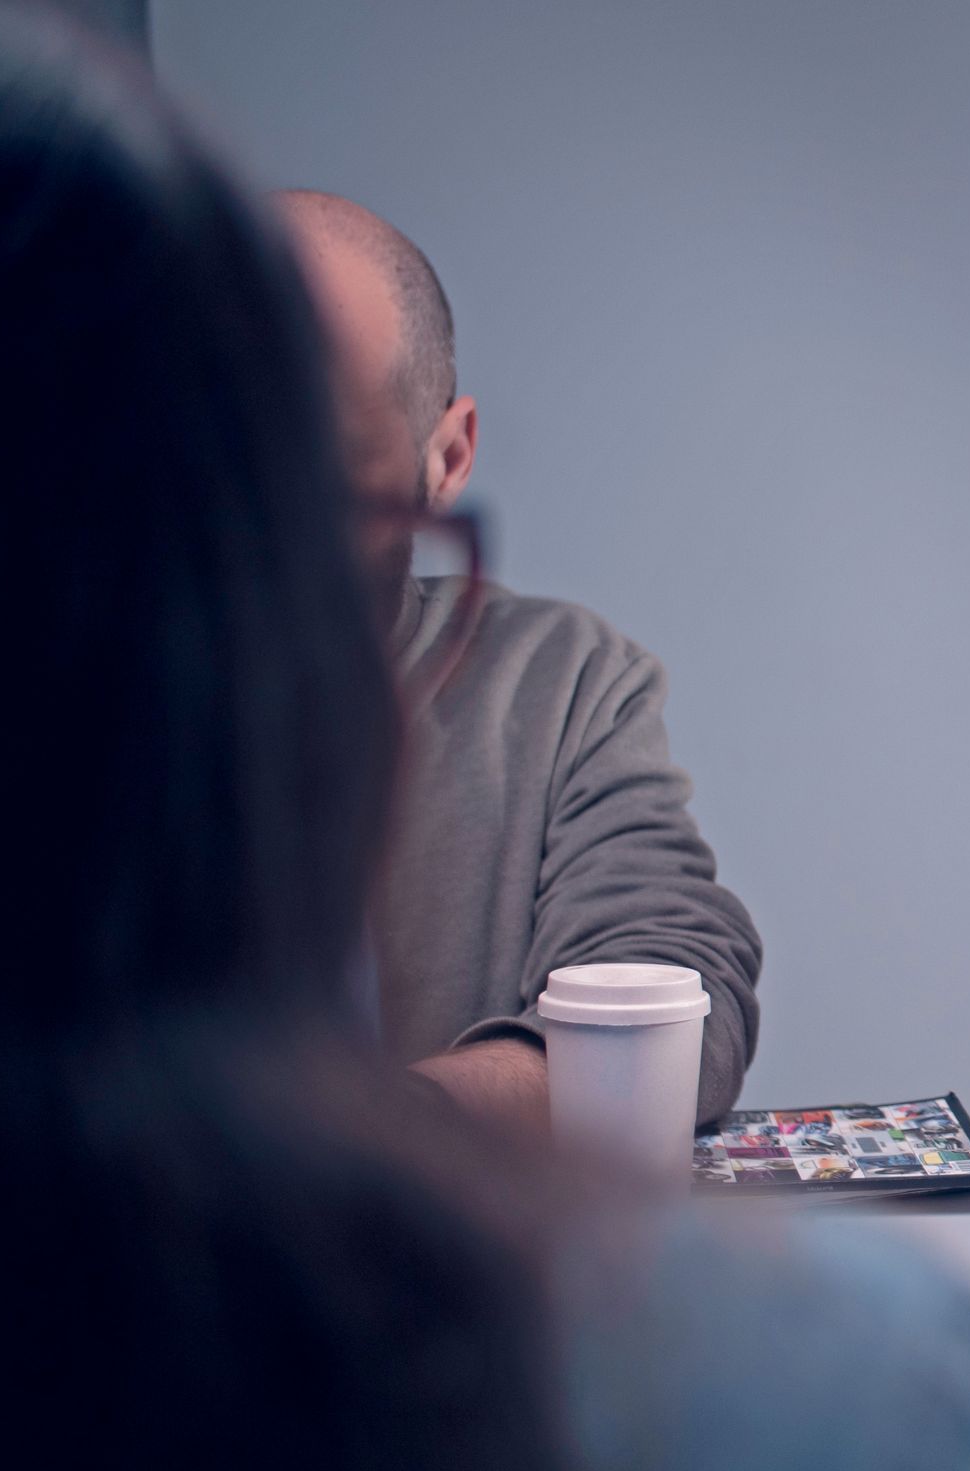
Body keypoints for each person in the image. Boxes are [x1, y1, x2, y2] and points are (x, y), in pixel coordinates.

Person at [0, 14, 970, 1471]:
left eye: (322, 499)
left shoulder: (560, 675)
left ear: (448, 455)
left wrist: (328, 1120)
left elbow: (680, 972)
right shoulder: (833, 1426)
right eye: (222, 505)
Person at [276, 187, 763, 1134]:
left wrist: (372, 1131)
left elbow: (674, 991)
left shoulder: (561, 686)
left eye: (324, 461)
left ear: (447, 456)